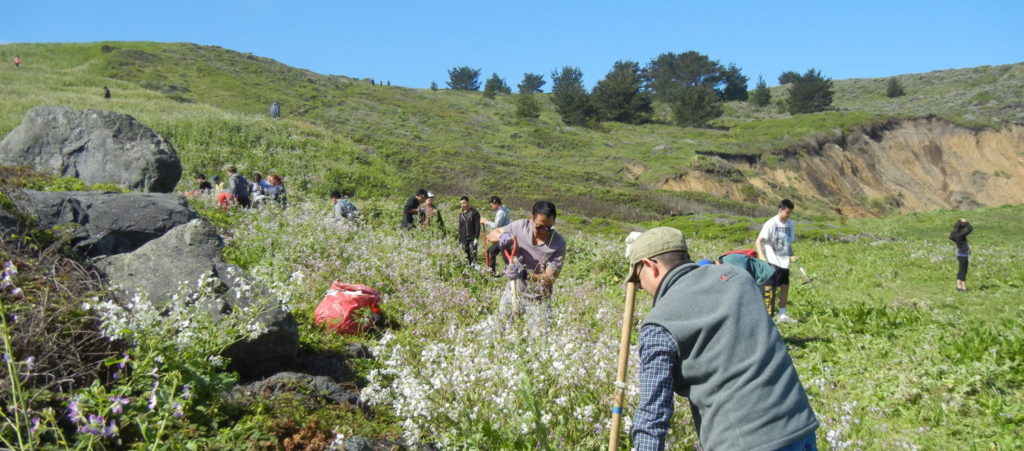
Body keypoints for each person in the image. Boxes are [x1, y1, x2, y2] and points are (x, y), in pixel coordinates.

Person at [626, 227, 819, 451]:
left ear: (651, 266)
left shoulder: (659, 323)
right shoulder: (739, 278)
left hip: (745, 442)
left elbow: (653, 414)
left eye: (639, 281)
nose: (641, 288)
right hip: (800, 424)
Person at [488, 201, 566, 323]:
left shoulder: (558, 244)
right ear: (531, 220)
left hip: (538, 301)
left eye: (549, 228)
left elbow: (550, 278)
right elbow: (491, 235)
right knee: (501, 330)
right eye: (540, 227)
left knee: (539, 338)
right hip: (513, 292)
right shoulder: (520, 227)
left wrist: (524, 275)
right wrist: (501, 237)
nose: (545, 232)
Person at [756, 199, 798, 323]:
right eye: (787, 212)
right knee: (770, 290)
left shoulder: (791, 224)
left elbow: (788, 243)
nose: (788, 215)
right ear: (780, 210)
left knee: (785, 288)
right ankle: (767, 316)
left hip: (785, 262)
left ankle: (782, 315)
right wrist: (761, 256)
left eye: (790, 213)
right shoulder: (770, 224)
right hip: (772, 262)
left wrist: (792, 255)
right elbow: (759, 241)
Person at [481, 196, 511, 274]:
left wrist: (486, 222)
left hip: (503, 237)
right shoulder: (503, 210)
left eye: (492, 205)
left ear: (496, 203)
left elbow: (496, 225)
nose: (491, 207)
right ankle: (492, 271)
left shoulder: (501, 212)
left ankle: (492, 272)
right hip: (504, 236)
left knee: (505, 256)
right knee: (492, 252)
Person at [949, 218, 973, 291]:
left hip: (959, 254)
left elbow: (950, 237)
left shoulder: (954, 235)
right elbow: (970, 229)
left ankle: (958, 285)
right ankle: (964, 287)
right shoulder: (960, 235)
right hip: (963, 255)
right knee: (963, 271)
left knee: (960, 270)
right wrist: (966, 222)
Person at [457, 196, 482, 265]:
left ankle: (475, 268)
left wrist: (476, 238)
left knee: (473, 254)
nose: (463, 205)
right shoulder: (461, 215)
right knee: (466, 255)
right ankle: (468, 269)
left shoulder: (475, 213)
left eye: (464, 203)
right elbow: (460, 228)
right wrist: (460, 240)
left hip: (472, 238)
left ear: (468, 202)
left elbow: (477, 226)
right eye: (461, 203)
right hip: (464, 238)